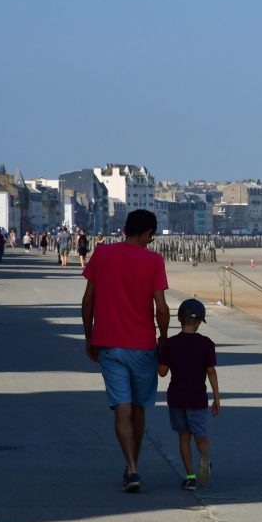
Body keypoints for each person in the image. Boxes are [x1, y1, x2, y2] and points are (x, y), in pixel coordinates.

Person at [82, 209, 169, 493]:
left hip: (109, 343)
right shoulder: (153, 260)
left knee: (122, 408)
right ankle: (134, 465)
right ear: (147, 233)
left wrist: (89, 336)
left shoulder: (102, 255)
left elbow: (87, 301)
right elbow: (162, 308)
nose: (150, 241)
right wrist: (164, 340)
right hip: (142, 345)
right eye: (150, 236)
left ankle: (131, 468)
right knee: (140, 408)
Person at [158, 299, 219, 490]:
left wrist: (159, 351)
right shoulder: (206, 344)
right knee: (200, 436)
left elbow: (162, 372)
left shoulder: (170, 344)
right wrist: (217, 398)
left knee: (183, 437)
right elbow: (211, 372)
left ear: (179, 319)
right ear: (200, 321)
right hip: (197, 398)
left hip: (177, 397)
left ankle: (191, 476)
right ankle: (205, 458)